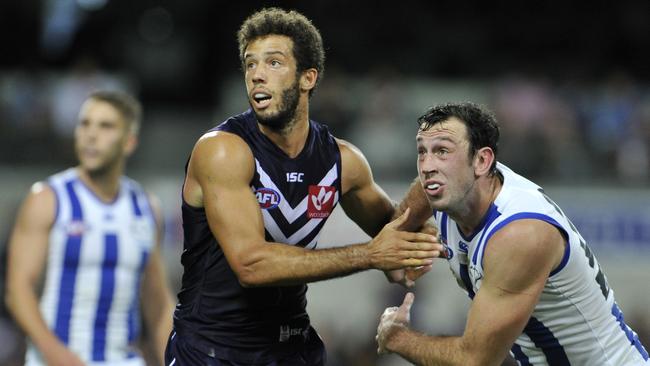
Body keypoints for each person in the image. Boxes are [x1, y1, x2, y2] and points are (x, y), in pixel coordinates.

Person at [164, 7, 441, 366]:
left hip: (293, 348)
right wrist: (372, 255)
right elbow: (252, 265)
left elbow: (395, 241)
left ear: (308, 77)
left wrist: (428, 198)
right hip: (213, 350)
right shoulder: (222, 150)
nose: (257, 75)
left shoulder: (344, 161)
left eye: (273, 63)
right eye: (250, 65)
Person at [375, 102, 650, 365]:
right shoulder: (446, 187)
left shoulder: (521, 234)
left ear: (482, 161)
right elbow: (399, 225)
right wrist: (397, 260)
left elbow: (474, 360)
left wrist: (397, 337)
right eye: (422, 151)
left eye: (443, 151)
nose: (427, 166)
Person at [5, 90, 175, 366]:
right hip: (54, 360)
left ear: (129, 142)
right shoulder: (47, 199)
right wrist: (58, 356)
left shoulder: (146, 207)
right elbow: (18, 290)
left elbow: (157, 302)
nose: (91, 134)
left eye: (105, 126)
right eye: (84, 124)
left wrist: (175, 359)